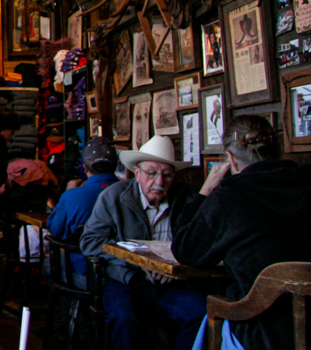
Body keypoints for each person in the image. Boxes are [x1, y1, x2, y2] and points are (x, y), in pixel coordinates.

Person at [172, 115, 311, 350]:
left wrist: (204, 192)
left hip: (261, 335)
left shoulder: (228, 199)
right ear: (277, 150)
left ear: (231, 159)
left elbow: (186, 250)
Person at [80, 135, 205, 350]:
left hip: (173, 284)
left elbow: (199, 239)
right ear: (136, 173)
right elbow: (90, 241)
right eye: (151, 173)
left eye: (167, 175)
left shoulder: (185, 197)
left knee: (200, 315)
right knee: (125, 317)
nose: (159, 182)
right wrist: (134, 263)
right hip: (128, 281)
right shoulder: (114, 197)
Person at [45, 137, 120, 290]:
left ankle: (71, 313)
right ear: (116, 165)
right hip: (124, 272)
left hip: (86, 273)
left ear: (84, 168)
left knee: (49, 265)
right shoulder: (130, 193)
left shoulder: (73, 195)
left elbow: (55, 230)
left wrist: (67, 194)